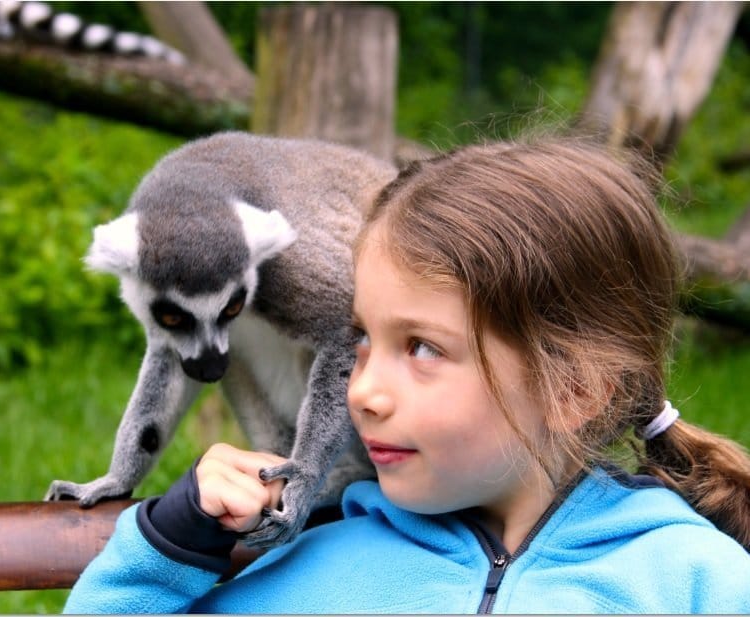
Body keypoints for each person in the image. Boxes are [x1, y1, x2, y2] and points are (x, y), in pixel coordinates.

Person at [64, 137, 750, 614]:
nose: (361, 391)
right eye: (361, 339)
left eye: (421, 348)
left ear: (574, 390)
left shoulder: (693, 580)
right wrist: (171, 541)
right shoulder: (311, 570)